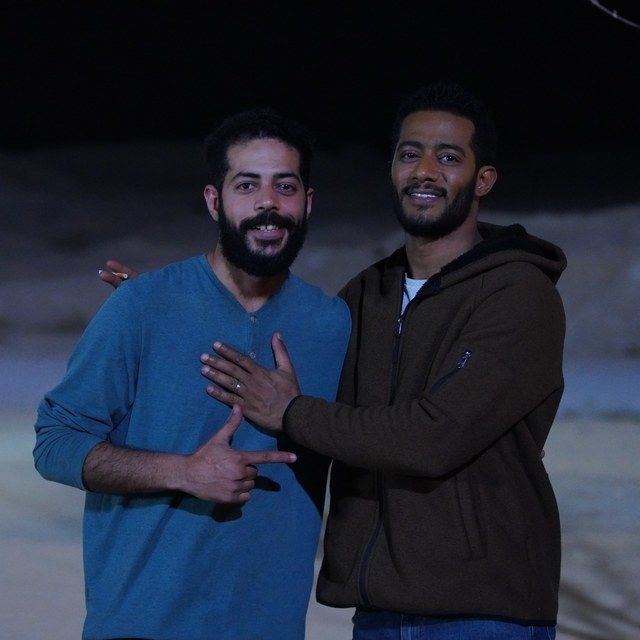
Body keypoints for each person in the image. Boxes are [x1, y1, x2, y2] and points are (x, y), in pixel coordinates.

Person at [200, 82, 566, 639]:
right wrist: (167, 306)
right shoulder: (366, 294)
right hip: (380, 610)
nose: (425, 171)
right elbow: (278, 364)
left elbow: (432, 438)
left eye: (449, 157)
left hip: (480, 612)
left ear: (484, 179)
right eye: (409, 154)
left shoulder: (518, 294)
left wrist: (293, 412)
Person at [33, 107, 351, 640]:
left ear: (308, 202)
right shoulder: (142, 306)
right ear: (213, 200)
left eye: (285, 186)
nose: (268, 203)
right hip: (141, 626)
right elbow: (55, 443)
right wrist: (183, 472)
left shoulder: (332, 325)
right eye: (246, 185)